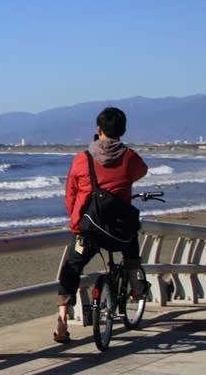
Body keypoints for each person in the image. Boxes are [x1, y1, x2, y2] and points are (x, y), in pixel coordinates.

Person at [54, 107, 149, 343]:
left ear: (98, 129)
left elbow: (71, 195)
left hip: (89, 229)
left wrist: (76, 221)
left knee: (71, 269)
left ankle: (62, 323)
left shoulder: (81, 159)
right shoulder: (129, 157)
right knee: (131, 245)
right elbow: (142, 172)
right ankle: (136, 287)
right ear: (123, 130)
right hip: (118, 229)